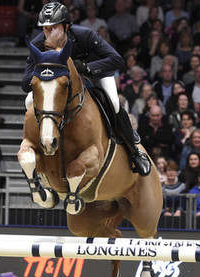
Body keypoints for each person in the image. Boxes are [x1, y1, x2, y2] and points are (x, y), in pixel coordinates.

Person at [21, 2, 150, 176]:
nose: (49, 33)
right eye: (45, 29)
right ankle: (37, 145)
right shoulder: (38, 44)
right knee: (29, 100)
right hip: (60, 85)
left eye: (54, 27)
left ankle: (134, 150)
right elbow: (25, 82)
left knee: (113, 102)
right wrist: (43, 72)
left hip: (94, 75)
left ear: (66, 26)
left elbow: (116, 59)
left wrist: (84, 67)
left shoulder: (85, 35)